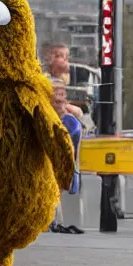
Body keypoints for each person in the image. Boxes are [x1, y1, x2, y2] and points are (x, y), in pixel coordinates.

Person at [49, 82, 85, 234]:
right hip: (53, 162)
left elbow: (79, 113)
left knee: (57, 191)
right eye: (56, 95)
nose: (59, 99)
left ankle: (54, 221)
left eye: (61, 95)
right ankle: (53, 221)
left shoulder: (71, 120)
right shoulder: (47, 115)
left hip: (65, 163)